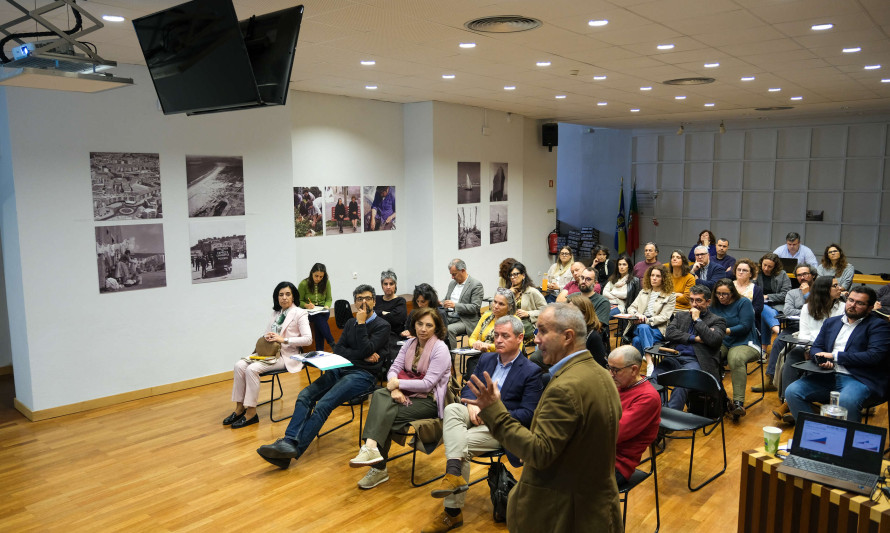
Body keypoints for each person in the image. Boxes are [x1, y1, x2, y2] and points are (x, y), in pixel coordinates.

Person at [464, 304, 623, 532]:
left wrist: (494, 410)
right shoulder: (602, 375)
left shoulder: (565, 388)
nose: (535, 339)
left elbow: (539, 453)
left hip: (564, 513)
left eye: (541, 331)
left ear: (567, 337)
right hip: (595, 506)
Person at [422, 316, 542, 533]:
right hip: (475, 414)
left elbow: (528, 414)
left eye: (505, 336)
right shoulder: (487, 360)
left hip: (503, 427)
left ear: (520, 338)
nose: (498, 340)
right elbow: (469, 388)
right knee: (453, 409)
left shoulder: (531, 371)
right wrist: (471, 406)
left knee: (461, 446)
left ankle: (452, 512)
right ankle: (453, 474)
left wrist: (490, 414)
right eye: (496, 335)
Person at [256, 284, 392, 469]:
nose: (363, 302)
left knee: (324, 404)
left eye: (367, 298)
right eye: (359, 299)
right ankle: (289, 441)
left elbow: (367, 349)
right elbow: (339, 349)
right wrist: (360, 353)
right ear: (354, 302)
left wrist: (361, 327)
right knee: (305, 395)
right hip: (340, 368)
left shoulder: (382, 326)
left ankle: (292, 449)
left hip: (363, 375)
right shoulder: (351, 323)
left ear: (374, 302)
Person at [349, 307, 450, 489]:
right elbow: (393, 370)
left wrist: (398, 385)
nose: (423, 329)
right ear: (414, 324)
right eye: (419, 324)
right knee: (381, 394)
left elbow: (427, 384)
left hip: (429, 401)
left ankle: (377, 464)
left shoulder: (440, 349)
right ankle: (372, 451)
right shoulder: (410, 344)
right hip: (407, 395)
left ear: (436, 328)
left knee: (382, 409)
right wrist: (395, 390)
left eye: (429, 325)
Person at [785, 286, 890, 424]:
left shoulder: (878, 326)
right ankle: (814, 434)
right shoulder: (831, 322)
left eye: (860, 303)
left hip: (859, 378)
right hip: (827, 374)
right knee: (792, 391)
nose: (852, 305)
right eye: (850, 300)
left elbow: (874, 356)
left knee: (846, 401)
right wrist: (820, 359)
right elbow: (816, 347)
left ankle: (849, 442)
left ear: (870, 307)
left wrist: (834, 357)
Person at [225, 281, 313, 429]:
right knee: (239, 365)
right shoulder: (275, 313)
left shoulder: (300, 313)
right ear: (276, 297)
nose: (284, 298)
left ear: (293, 296)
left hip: (286, 356)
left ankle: (251, 412)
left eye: (287, 294)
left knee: (252, 369)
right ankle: (240, 408)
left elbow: (308, 340)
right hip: (269, 353)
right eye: (281, 295)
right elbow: (267, 334)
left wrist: (282, 339)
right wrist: (267, 337)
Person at [773, 276, 844, 423]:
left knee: (816, 361)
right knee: (792, 356)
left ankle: (790, 406)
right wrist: (807, 349)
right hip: (809, 345)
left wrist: (817, 351)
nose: (840, 288)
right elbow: (804, 333)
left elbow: (840, 336)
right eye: (835, 286)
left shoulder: (843, 308)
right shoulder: (807, 308)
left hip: (831, 349)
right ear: (824, 290)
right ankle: (788, 401)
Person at [650, 285, 727, 410]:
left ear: (708, 302)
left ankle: (671, 419)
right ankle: (659, 412)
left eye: (698, 300)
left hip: (696, 361)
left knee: (682, 384)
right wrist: (694, 338)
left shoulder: (717, 320)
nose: (694, 304)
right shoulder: (681, 316)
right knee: (654, 379)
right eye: (692, 300)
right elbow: (669, 333)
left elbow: (713, 340)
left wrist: (697, 320)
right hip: (674, 356)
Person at [757, 264, 816, 393]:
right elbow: (788, 310)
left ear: (812, 275)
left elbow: (816, 311)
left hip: (814, 327)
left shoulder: (819, 291)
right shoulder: (792, 293)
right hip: (794, 326)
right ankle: (771, 379)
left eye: (805, 274)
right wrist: (804, 311)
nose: (802, 277)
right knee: (778, 341)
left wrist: (807, 296)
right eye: (799, 275)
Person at [607, 346, 661, 487]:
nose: (611, 374)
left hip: (616, 465)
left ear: (634, 369)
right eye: (609, 368)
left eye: (616, 370)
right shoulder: (618, 384)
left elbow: (613, 433)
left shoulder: (648, 398)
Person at [710, 279, 759, 420]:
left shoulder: (744, 303)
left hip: (745, 341)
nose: (721, 297)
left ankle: (738, 403)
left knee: (735, 358)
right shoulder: (714, 304)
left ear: (732, 292)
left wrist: (724, 330)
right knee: (710, 355)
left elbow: (745, 326)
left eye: (725, 294)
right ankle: (717, 396)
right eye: (718, 293)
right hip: (723, 341)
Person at [531, 292, 607, 370]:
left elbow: (598, 366)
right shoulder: (566, 328)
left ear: (585, 314)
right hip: (564, 362)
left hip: (579, 370)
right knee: (535, 358)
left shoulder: (593, 336)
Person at [625, 264, 676, 377]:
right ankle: (649, 362)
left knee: (637, 340)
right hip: (639, 325)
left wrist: (646, 320)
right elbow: (631, 308)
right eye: (652, 275)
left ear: (663, 278)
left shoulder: (670, 295)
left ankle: (636, 371)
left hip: (658, 329)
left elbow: (665, 317)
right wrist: (637, 314)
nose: (654, 278)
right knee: (642, 328)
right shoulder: (644, 291)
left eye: (657, 276)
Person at [442, 259, 485, 349]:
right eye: (451, 274)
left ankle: (451, 358)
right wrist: (440, 302)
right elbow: (446, 299)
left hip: (465, 320)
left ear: (463, 270)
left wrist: (455, 305)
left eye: (454, 274)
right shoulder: (452, 284)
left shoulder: (475, 285)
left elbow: (475, 307)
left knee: (449, 330)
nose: (452, 277)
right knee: (434, 324)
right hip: (449, 316)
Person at [757, 253, 791, 353]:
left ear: (775, 266)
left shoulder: (782, 274)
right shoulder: (756, 273)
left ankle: (763, 350)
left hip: (778, 306)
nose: (766, 268)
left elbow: (786, 294)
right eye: (764, 265)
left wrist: (768, 296)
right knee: (763, 308)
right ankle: (779, 332)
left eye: (770, 266)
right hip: (759, 305)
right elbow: (751, 289)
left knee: (763, 312)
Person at [298, 263, 335, 351]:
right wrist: (306, 305)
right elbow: (298, 301)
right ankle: (332, 343)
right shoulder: (303, 284)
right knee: (318, 318)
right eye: (316, 276)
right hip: (309, 311)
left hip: (322, 310)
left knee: (319, 318)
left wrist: (326, 307)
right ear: (311, 273)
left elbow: (329, 299)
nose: (318, 279)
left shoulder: (326, 282)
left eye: (321, 277)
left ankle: (320, 350)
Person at [468, 288, 516, 352]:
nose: (496, 306)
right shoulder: (486, 316)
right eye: (495, 302)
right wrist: (475, 344)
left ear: (510, 307)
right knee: (471, 361)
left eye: (501, 304)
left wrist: (488, 346)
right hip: (482, 353)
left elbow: (508, 346)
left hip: (503, 356)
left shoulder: (514, 321)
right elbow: (472, 338)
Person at [509, 261, 547, 338]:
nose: (512, 277)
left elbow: (546, 311)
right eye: (511, 275)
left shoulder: (532, 292)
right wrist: (509, 294)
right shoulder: (508, 291)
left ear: (523, 276)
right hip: (511, 323)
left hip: (527, 326)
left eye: (516, 274)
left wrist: (528, 313)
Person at [375, 270, 407, 356]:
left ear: (395, 285)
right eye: (385, 284)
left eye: (391, 284)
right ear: (382, 285)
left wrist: (378, 315)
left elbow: (397, 319)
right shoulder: (376, 299)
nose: (388, 287)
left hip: (393, 334)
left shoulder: (400, 301)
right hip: (376, 333)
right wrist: (383, 312)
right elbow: (370, 314)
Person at [603, 254, 641, 318]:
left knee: (605, 316)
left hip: (621, 306)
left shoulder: (633, 280)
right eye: (619, 264)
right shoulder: (613, 278)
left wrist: (612, 293)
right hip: (608, 304)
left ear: (628, 266)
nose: (621, 267)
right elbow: (604, 293)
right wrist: (617, 297)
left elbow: (625, 295)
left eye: (624, 264)